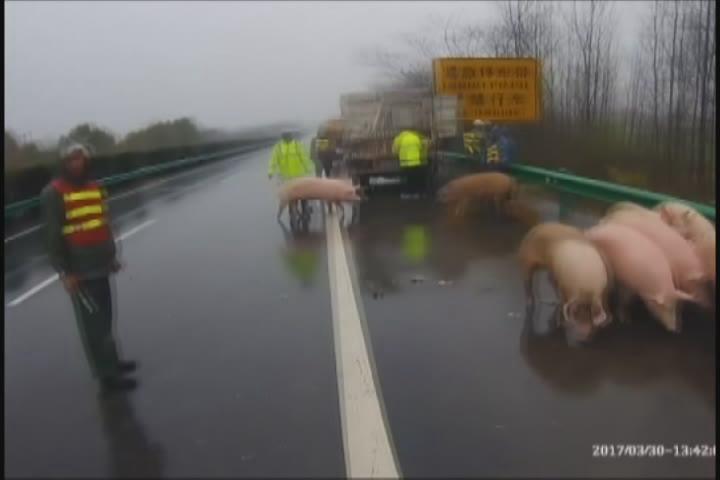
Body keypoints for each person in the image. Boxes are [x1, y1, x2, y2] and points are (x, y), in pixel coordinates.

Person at [41, 143, 137, 394]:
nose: (77, 163)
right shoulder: (53, 193)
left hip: (101, 266)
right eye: (72, 159)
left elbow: (103, 224)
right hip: (80, 271)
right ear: (64, 163)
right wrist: (65, 272)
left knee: (106, 320)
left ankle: (113, 363)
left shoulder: (94, 187)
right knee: (93, 326)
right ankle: (107, 379)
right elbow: (52, 237)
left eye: (81, 158)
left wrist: (112, 257)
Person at [268, 131, 315, 216]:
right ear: (283, 138)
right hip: (286, 178)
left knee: (303, 194)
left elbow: (304, 157)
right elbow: (273, 160)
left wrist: (309, 169)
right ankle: (292, 212)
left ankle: (305, 209)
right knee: (290, 196)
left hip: (299, 176)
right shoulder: (278, 147)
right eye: (286, 137)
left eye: (289, 136)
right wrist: (271, 171)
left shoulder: (297, 145)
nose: (288, 138)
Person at [392, 129, 428, 195]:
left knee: (407, 179)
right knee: (416, 178)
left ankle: (408, 193)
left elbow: (395, 151)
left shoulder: (398, 138)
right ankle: (419, 192)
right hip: (416, 162)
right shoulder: (415, 137)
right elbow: (420, 148)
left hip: (405, 163)